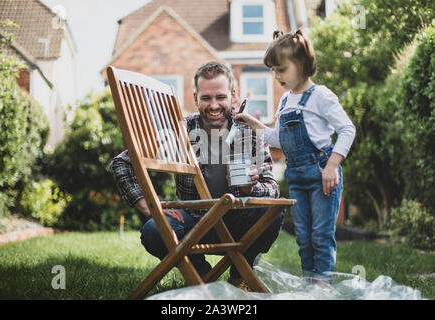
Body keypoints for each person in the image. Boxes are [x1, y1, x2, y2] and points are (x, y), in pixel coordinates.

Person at [108, 61, 283, 290]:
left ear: (233, 95)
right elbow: (121, 163)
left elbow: (273, 188)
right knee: (153, 232)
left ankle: (240, 276)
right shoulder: (180, 130)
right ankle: (201, 275)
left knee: (272, 212)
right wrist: (148, 206)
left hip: (236, 221)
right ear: (195, 97)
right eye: (206, 98)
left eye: (220, 97)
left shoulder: (250, 131)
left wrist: (252, 188)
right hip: (193, 220)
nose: (214, 105)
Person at [235, 30, 356, 283]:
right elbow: (280, 140)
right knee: (303, 236)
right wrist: (253, 123)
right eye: (274, 71)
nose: (276, 76)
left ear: (301, 64)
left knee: (321, 235)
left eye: (281, 69)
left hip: (323, 175)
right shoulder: (284, 101)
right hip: (297, 177)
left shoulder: (321, 96)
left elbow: (347, 129)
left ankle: (322, 288)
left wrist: (332, 165)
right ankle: (310, 285)